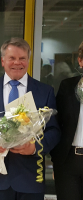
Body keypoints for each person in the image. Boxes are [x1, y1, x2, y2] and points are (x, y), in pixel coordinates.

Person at [0, 37, 60, 200]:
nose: (17, 63)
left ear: (28, 60)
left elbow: (54, 131)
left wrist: (34, 148)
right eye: (12, 58)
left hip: (31, 179)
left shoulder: (45, 91)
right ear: (3, 61)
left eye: (22, 58)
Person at [50, 41, 83, 200]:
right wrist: (56, 160)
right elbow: (57, 122)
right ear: (80, 61)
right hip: (68, 161)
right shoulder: (68, 86)